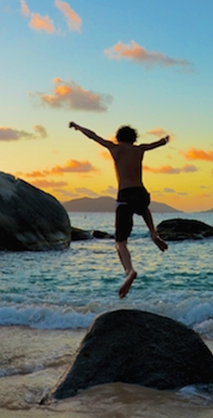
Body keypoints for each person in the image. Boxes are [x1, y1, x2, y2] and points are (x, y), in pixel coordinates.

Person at [69, 121, 170, 298]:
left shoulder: (114, 148)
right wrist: (164, 140)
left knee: (120, 242)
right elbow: (157, 144)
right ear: (133, 139)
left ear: (118, 138)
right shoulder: (140, 149)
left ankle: (129, 271)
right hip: (141, 193)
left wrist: (78, 127)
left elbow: (93, 136)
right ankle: (153, 233)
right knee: (144, 208)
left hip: (125, 194)